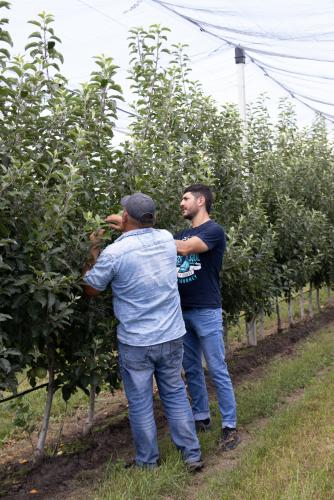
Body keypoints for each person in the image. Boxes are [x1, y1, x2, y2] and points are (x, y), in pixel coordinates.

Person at [83, 192, 203, 470]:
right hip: (172, 335)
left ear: (125, 217)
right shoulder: (164, 238)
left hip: (137, 341)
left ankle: (148, 462)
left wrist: (93, 247)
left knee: (140, 402)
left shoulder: (113, 253)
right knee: (174, 392)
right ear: (154, 217)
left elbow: (91, 289)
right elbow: (145, 232)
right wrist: (128, 223)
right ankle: (191, 455)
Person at [174, 184, 240, 451]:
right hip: (183, 311)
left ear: (201, 201)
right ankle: (201, 418)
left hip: (206, 310)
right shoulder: (180, 233)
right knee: (191, 369)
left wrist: (150, 237)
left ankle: (230, 426)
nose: (181, 203)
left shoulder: (213, 231)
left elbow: (188, 249)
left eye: (185, 198)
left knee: (217, 368)